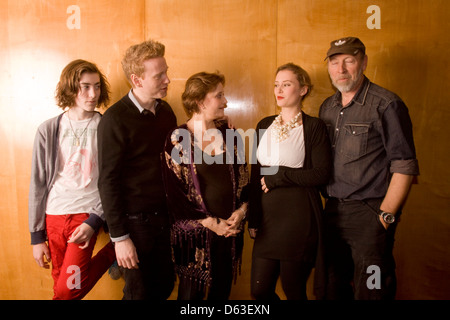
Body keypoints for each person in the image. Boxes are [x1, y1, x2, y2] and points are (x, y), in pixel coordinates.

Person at [319, 36, 420, 300]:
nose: (340, 69)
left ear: (363, 63)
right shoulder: (327, 108)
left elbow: (405, 165)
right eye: (334, 62)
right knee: (332, 288)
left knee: (372, 291)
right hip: (331, 213)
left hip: (370, 213)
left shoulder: (386, 104)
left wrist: (385, 218)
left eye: (349, 61)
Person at [29, 59, 116, 300]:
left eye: (97, 86)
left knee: (68, 290)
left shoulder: (106, 126)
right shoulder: (48, 129)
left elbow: (113, 178)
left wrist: (95, 219)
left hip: (85, 215)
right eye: (85, 86)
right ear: (70, 88)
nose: (93, 94)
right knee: (60, 284)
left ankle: (113, 252)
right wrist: (37, 237)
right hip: (54, 215)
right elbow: (38, 183)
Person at [97, 39, 176, 300]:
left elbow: (176, 160)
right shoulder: (114, 120)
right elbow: (107, 182)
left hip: (164, 222)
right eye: (159, 75)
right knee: (138, 295)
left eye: (166, 72)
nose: (167, 79)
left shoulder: (166, 112)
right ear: (137, 79)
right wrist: (120, 238)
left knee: (163, 289)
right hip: (134, 225)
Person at [162, 71, 249, 300]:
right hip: (196, 239)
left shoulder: (230, 134)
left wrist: (241, 212)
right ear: (200, 101)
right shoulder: (176, 139)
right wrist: (211, 223)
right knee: (191, 299)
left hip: (229, 233)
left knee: (221, 295)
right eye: (219, 95)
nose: (225, 101)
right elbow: (174, 195)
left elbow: (244, 182)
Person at [248, 63, 332, 300]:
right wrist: (253, 218)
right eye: (276, 84)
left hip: (298, 218)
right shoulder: (264, 125)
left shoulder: (314, 127)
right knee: (259, 290)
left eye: (287, 84)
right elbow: (256, 175)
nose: (279, 90)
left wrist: (280, 177)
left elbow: (321, 174)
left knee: (293, 290)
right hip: (267, 220)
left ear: (303, 90)